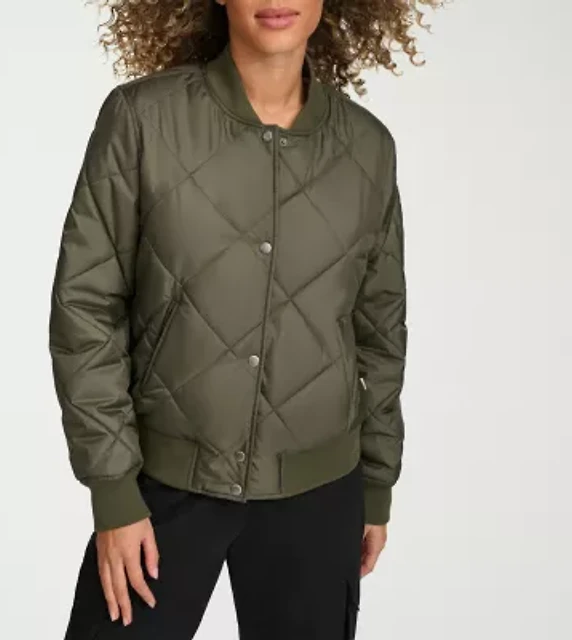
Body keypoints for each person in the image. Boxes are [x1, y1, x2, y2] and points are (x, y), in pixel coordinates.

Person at [48, 0, 435, 637]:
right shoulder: (143, 120)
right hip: (162, 485)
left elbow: (380, 329)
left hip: (319, 492)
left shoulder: (368, 149)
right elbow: (86, 307)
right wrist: (113, 490)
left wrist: (376, 480)